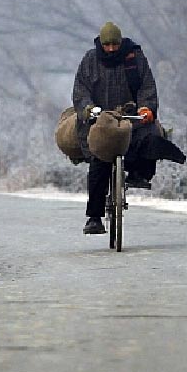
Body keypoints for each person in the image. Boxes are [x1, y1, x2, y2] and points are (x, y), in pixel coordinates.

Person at [73, 21, 158, 235]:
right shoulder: (90, 60)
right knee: (99, 162)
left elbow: (147, 85)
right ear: (101, 44)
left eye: (115, 45)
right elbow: (81, 90)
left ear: (121, 43)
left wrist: (146, 108)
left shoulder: (134, 58)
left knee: (150, 137)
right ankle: (94, 217)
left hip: (130, 118)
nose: (111, 49)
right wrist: (88, 109)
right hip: (100, 120)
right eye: (107, 45)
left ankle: (139, 174)